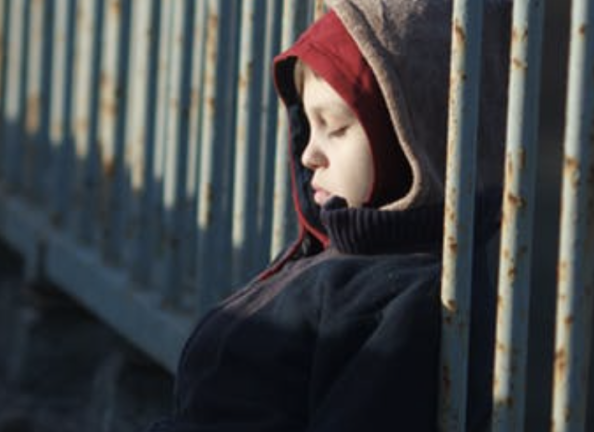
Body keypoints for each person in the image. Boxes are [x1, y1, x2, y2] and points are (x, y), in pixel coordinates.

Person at [148, 0, 510, 430]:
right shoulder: (342, 252)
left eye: (335, 128)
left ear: (407, 137)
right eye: (309, 124)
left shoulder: (408, 296)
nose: (308, 154)